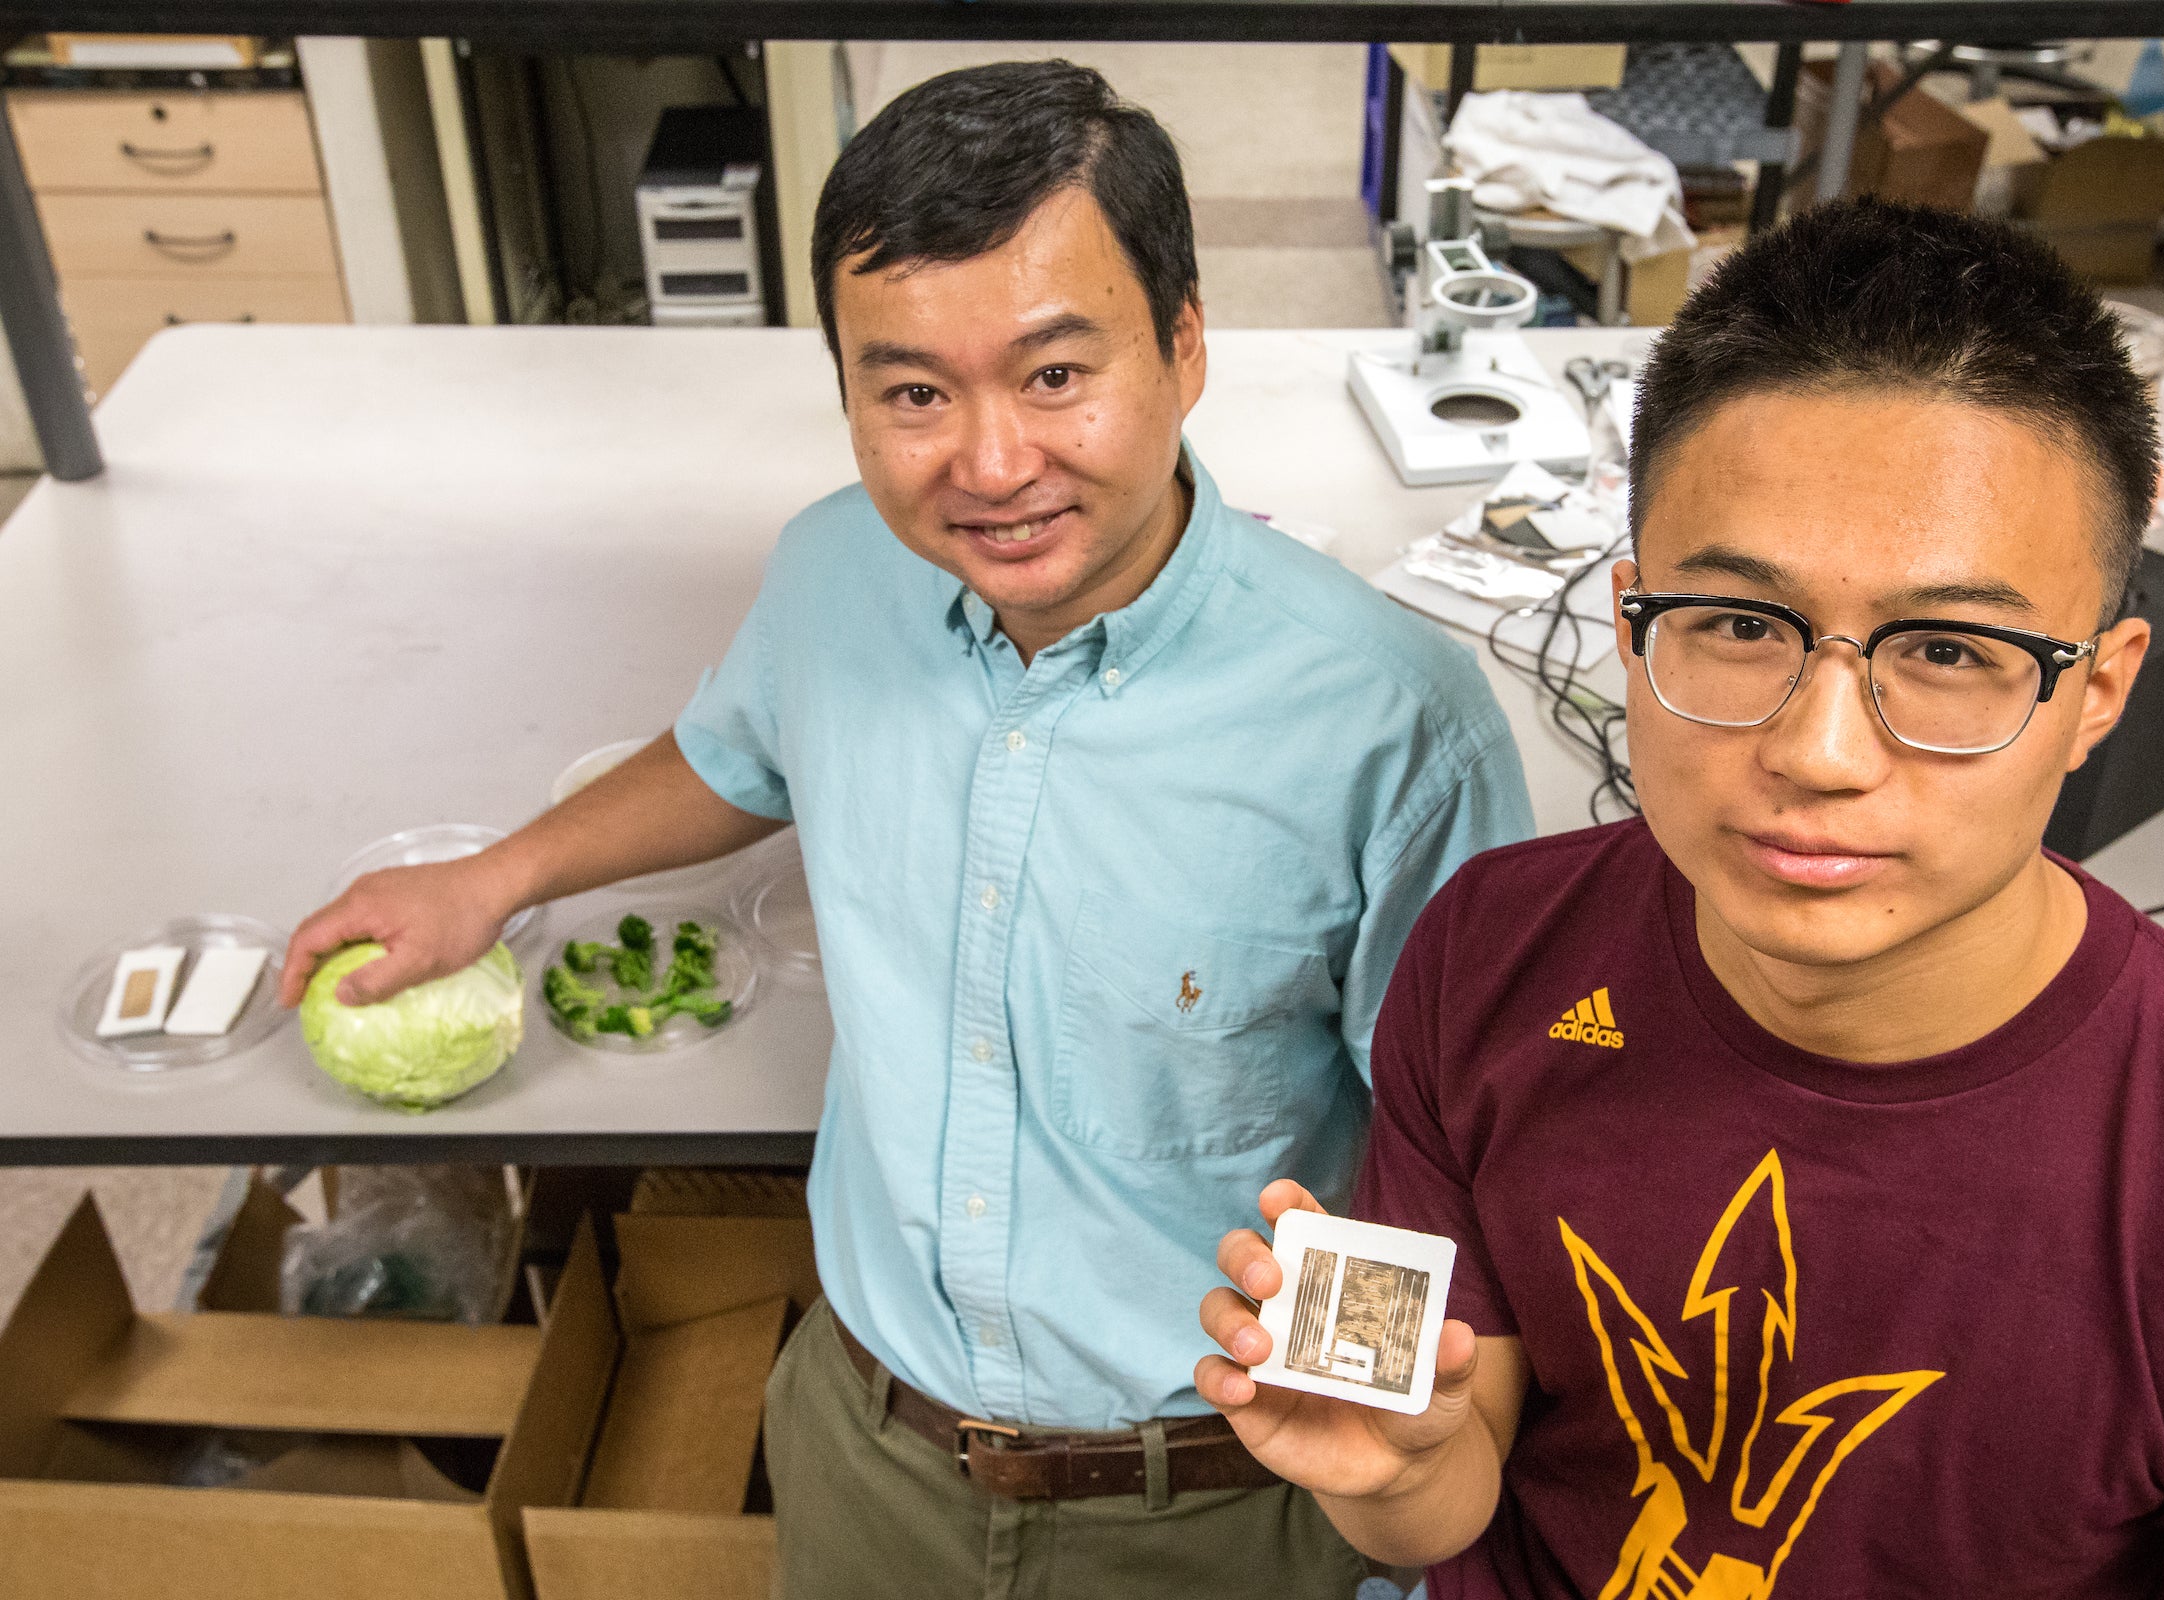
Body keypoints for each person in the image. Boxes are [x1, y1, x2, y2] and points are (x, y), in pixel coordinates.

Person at [277, 60, 1533, 1600]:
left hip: (1213, 1499)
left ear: (1186, 345)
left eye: (1057, 374)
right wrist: (496, 877)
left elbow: (1456, 1151)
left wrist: (1399, 1519)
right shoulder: (830, 576)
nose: (990, 465)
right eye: (914, 392)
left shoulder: (1392, 721)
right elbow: (739, 751)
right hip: (871, 1449)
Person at [1198, 199, 2164, 1596]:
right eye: (1740, 625)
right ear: (1632, 614)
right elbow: (1455, 1482)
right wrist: (1399, 1471)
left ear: (2102, 693)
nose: (1819, 755)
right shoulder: (1492, 949)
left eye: (1951, 649)